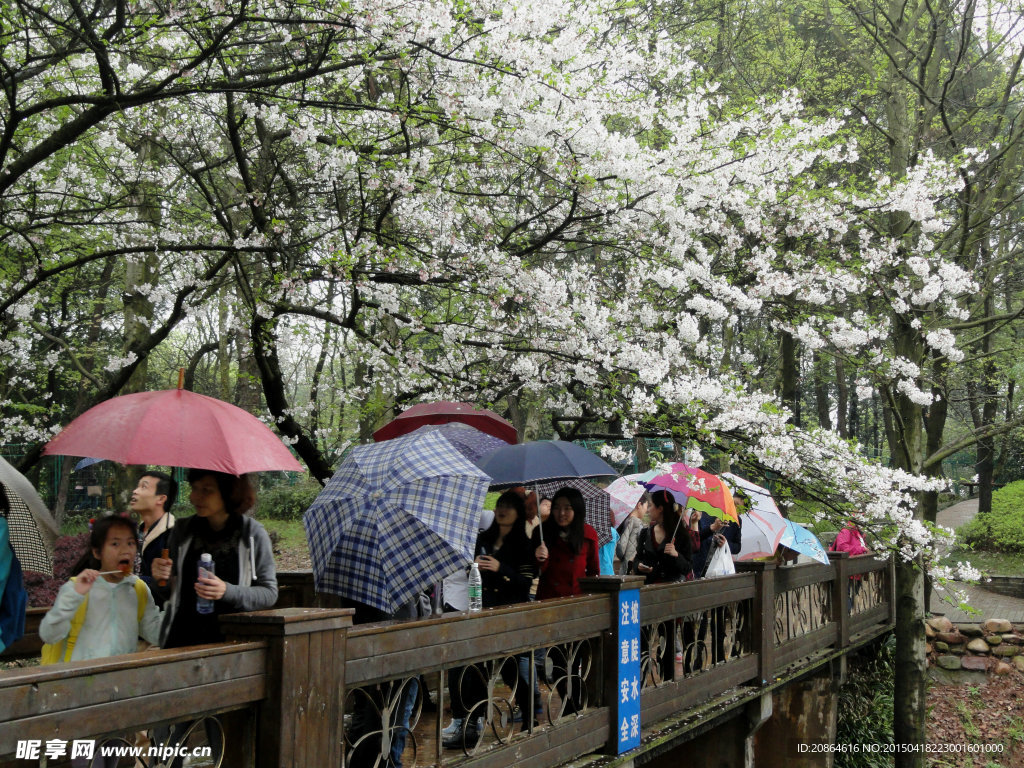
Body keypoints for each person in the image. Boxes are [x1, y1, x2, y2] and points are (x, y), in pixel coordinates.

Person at [444, 491, 539, 748]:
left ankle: (532, 715)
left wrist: (502, 569)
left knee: (510, 668)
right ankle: (471, 725)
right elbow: (468, 570)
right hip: (483, 612)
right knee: (474, 668)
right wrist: (473, 565)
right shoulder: (483, 539)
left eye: (509, 507)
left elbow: (526, 582)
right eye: (500, 506)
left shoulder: (524, 544)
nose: (503, 511)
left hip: (509, 614)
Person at [151, 470, 277, 648]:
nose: (195, 497)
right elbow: (170, 593)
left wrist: (226, 591)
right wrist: (161, 579)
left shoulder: (252, 534)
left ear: (229, 492)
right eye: (194, 488)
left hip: (230, 644)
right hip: (180, 641)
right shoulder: (182, 530)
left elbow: (269, 593)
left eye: (207, 490)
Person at [40, 515, 162, 662]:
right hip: (79, 681)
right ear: (97, 552)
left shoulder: (138, 589)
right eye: (115, 544)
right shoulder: (76, 588)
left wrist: (176, 587)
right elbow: (49, 635)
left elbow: (157, 634)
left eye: (130, 543)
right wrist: (73, 596)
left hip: (120, 679)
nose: (125, 551)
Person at [533, 487, 600, 599]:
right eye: (556, 508)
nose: (561, 513)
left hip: (576, 600)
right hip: (548, 600)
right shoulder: (541, 532)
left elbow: (594, 571)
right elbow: (534, 572)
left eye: (567, 508)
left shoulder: (588, 534)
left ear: (577, 510)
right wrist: (540, 559)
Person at [629, 490, 692, 584]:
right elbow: (638, 558)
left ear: (660, 508)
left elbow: (687, 568)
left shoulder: (681, 535)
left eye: (650, 505)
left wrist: (676, 554)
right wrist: (638, 565)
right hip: (648, 589)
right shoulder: (645, 533)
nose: (648, 509)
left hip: (672, 592)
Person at [129, 471, 177, 594]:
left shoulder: (173, 536)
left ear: (161, 499)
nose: (135, 491)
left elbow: (171, 585)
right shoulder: (139, 531)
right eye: (137, 486)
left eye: (143, 487)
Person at [690, 507, 741, 579]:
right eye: (735, 503)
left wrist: (725, 544)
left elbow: (737, 547)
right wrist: (712, 528)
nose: (735, 507)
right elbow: (694, 539)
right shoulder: (702, 512)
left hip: (718, 568)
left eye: (738, 506)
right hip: (698, 566)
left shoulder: (736, 520)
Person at [615, 492, 648, 574]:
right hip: (633, 567)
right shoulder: (637, 523)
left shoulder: (625, 521)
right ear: (639, 505)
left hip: (624, 567)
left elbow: (621, 550)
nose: (646, 510)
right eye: (646, 506)